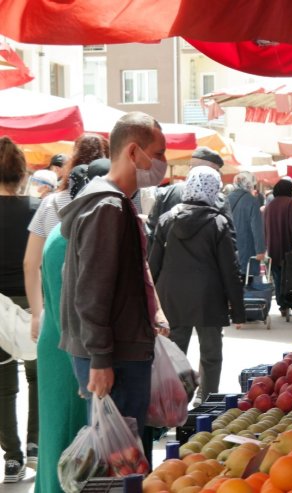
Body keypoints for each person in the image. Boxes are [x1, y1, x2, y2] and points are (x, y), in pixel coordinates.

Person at [58, 112, 170, 454]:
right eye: (159, 153)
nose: (163, 163)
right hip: (116, 355)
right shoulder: (108, 207)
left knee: (121, 459)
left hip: (118, 349)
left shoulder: (110, 201)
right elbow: (91, 291)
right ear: (134, 152)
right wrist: (101, 359)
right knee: (121, 464)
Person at [34, 161, 110, 493]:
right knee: (69, 441)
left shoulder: (59, 230)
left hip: (55, 344)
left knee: (56, 439)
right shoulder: (76, 237)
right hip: (71, 350)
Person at [149, 167, 245, 403]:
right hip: (208, 299)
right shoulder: (218, 222)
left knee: (174, 354)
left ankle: (174, 403)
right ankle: (208, 402)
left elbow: (153, 266)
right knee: (211, 355)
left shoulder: (167, 219)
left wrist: (150, 304)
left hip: (171, 298)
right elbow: (229, 269)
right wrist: (239, 310)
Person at [0, 137, 39, 483]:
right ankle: (36, 444)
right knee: (38, 376)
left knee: (3, 386)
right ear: (22, 173)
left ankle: (12, 458)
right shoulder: (38, 209)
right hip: (33, 303)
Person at [146, 146, 232, 246]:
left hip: (169, 260)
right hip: (205, 260)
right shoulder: (219, 199)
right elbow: (229, 241)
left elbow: (150, 233)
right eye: (216, 171)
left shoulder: (166, 193)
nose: (218, 175)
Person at [263, 179, 292, 317]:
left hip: (273, 247)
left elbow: (265, 227)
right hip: (289, 246)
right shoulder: (291, 203)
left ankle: (282, 306)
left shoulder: (270, 205)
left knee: (278, 277)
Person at [228, 171, 266, 279]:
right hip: (247, 249)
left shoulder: (226, 199)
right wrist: (260, 250)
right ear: (249, 184)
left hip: (229, 248)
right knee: (247, 283)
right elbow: (257, 228)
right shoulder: (252, 201)